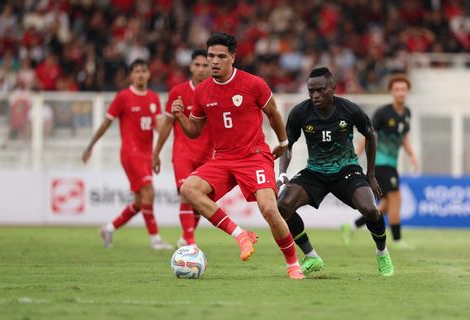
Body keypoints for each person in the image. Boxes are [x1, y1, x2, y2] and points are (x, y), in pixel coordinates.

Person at [171, 32, 304, 279]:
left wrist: (283, 142)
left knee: (269, 209)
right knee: (188, 189)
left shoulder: (253, 84)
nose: (214, 61)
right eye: (211, 56)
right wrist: (180, 116)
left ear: (233, 58)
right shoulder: (202, 92)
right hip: (222, 158)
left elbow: (273, 113)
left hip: (254, 155)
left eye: (221, 56)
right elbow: (194, 131)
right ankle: (240, 234)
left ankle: (293, 264)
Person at [276, 67, 394, 277]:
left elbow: (370, 135)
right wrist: (282, 172)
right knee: (282, 206)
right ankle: (311, 256)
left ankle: (382, 252)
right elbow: (287, 144)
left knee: (370, 209)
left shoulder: (349, 109)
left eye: (320, 90)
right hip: (315, 171)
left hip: (346, 170)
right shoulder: (300, 112)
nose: (314, 95)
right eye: (311, 91)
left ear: (333, 88)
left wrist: (371, 175)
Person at [82, 59, 172, 251]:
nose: (140, 74)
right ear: (131, 75)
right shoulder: (123, 97)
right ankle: (155, 239)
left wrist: (160, 149)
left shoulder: (154, 98)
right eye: (136, 71)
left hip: (147, 154)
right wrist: (90, 146)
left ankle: (108, 228)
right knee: (149, 192)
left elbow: (159, 127)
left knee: (140, 202)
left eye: (144, 71)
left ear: (149, 74)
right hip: (130, 153)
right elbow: (106, 124)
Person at [343, 74, 418, 249]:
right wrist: (354, 155)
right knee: (396, 199)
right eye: (397, 89)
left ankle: (351, 227)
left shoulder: (407, 113)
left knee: (385, 206)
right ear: (391, 92)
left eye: (403, 89)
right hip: (380, 163)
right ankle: (397, 240)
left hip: (391, 163)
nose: (400, 92)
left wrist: (412, 155)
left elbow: (404, 137)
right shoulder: (383, 113)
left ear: (407, 92)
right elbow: (368, 135)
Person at [154, 49, 213, 248]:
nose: (201, 69)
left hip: (208, 155)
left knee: (200, 199)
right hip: (183, 153)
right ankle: (190, 243)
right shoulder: (177, 92)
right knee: (187, 195)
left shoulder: (216, 91)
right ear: (190, 67)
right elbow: (167, 125)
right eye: (197, 65)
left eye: (205, 65)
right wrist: (156, 153)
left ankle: (186, 236)